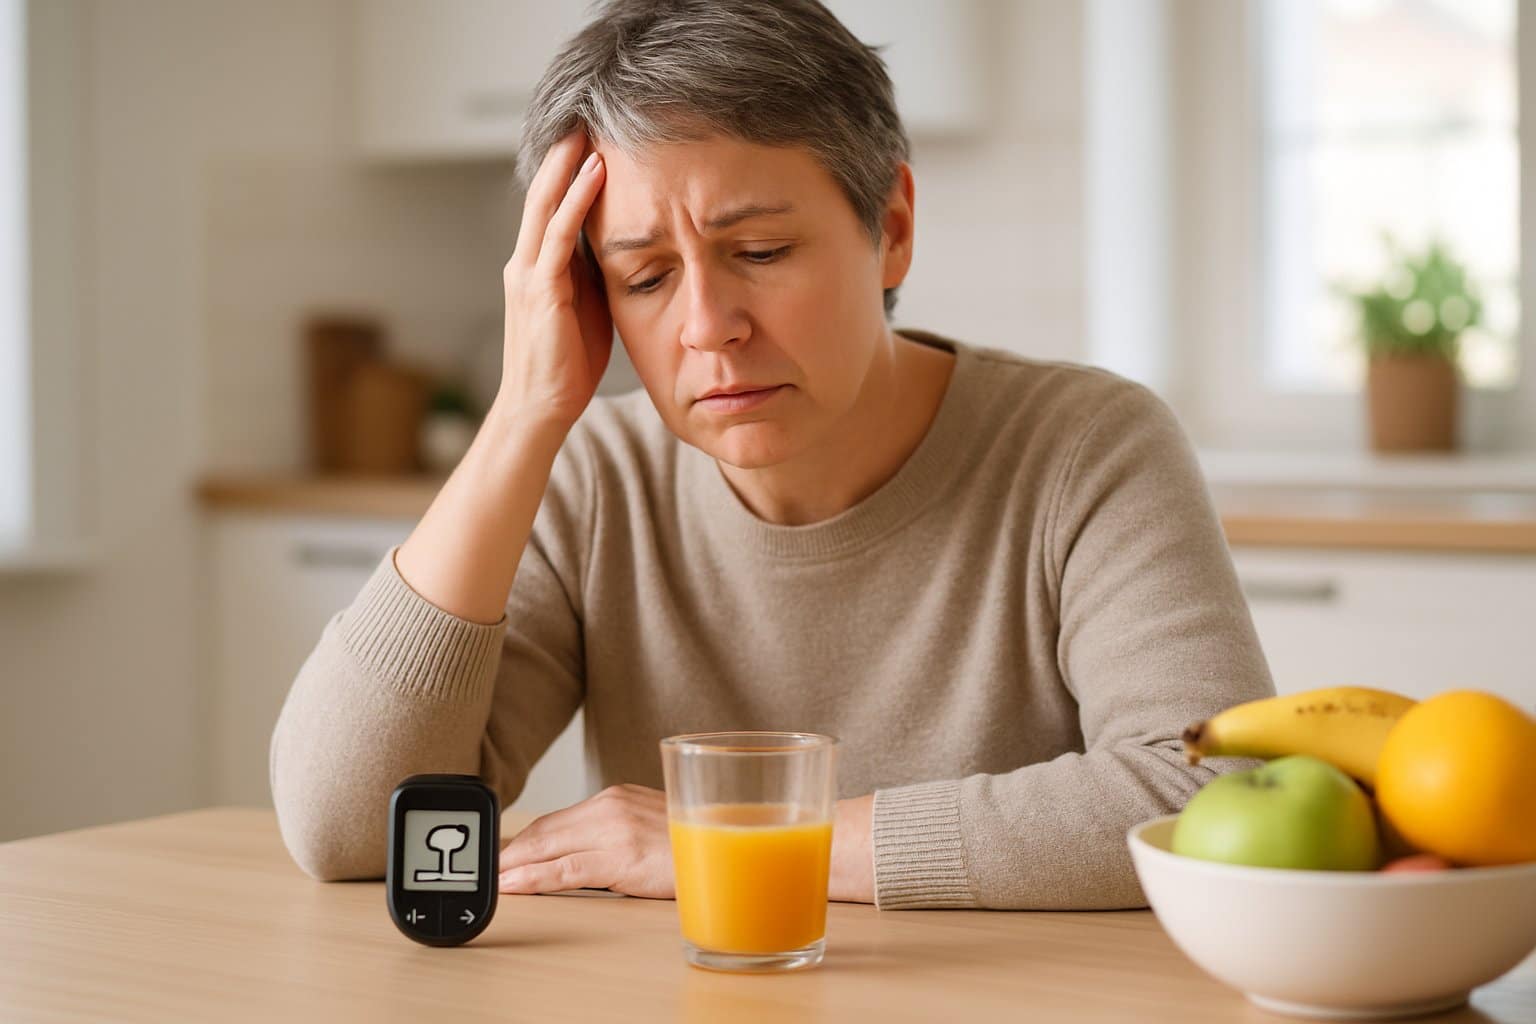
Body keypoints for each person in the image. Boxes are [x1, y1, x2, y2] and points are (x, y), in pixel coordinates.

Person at [270, 0, 1274, 910]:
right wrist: (524, 415)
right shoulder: (595, 482)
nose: (709, 326)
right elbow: (350, 829)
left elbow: (1215, 796)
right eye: (647, 275)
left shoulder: (1087, 449)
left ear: (890, 227)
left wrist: (732, 845)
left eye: (758, 253)